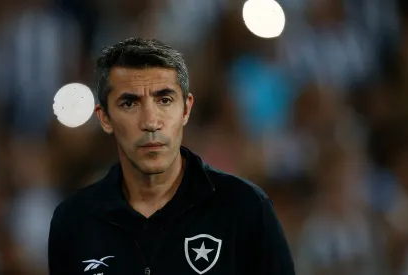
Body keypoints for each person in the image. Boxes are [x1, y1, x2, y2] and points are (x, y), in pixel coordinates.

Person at [48, 37, 295, 275]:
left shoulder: (246, 208)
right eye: (129, 104)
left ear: (186, 109)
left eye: (164, 100)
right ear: (104, 118)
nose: (151, 122)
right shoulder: (75, 220)